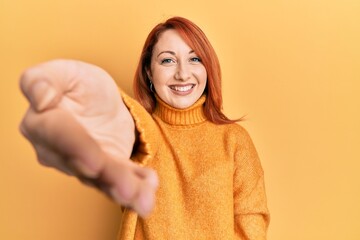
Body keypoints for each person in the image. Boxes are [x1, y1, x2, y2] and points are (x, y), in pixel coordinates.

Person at [20, 17, 270, 239]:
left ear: (207, 67)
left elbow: (252, 226)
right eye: (168, 60)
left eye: (194, 59)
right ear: (149, 71)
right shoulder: (141, 130)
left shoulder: (234, 140)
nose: (183, 74)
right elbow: (129, 130)